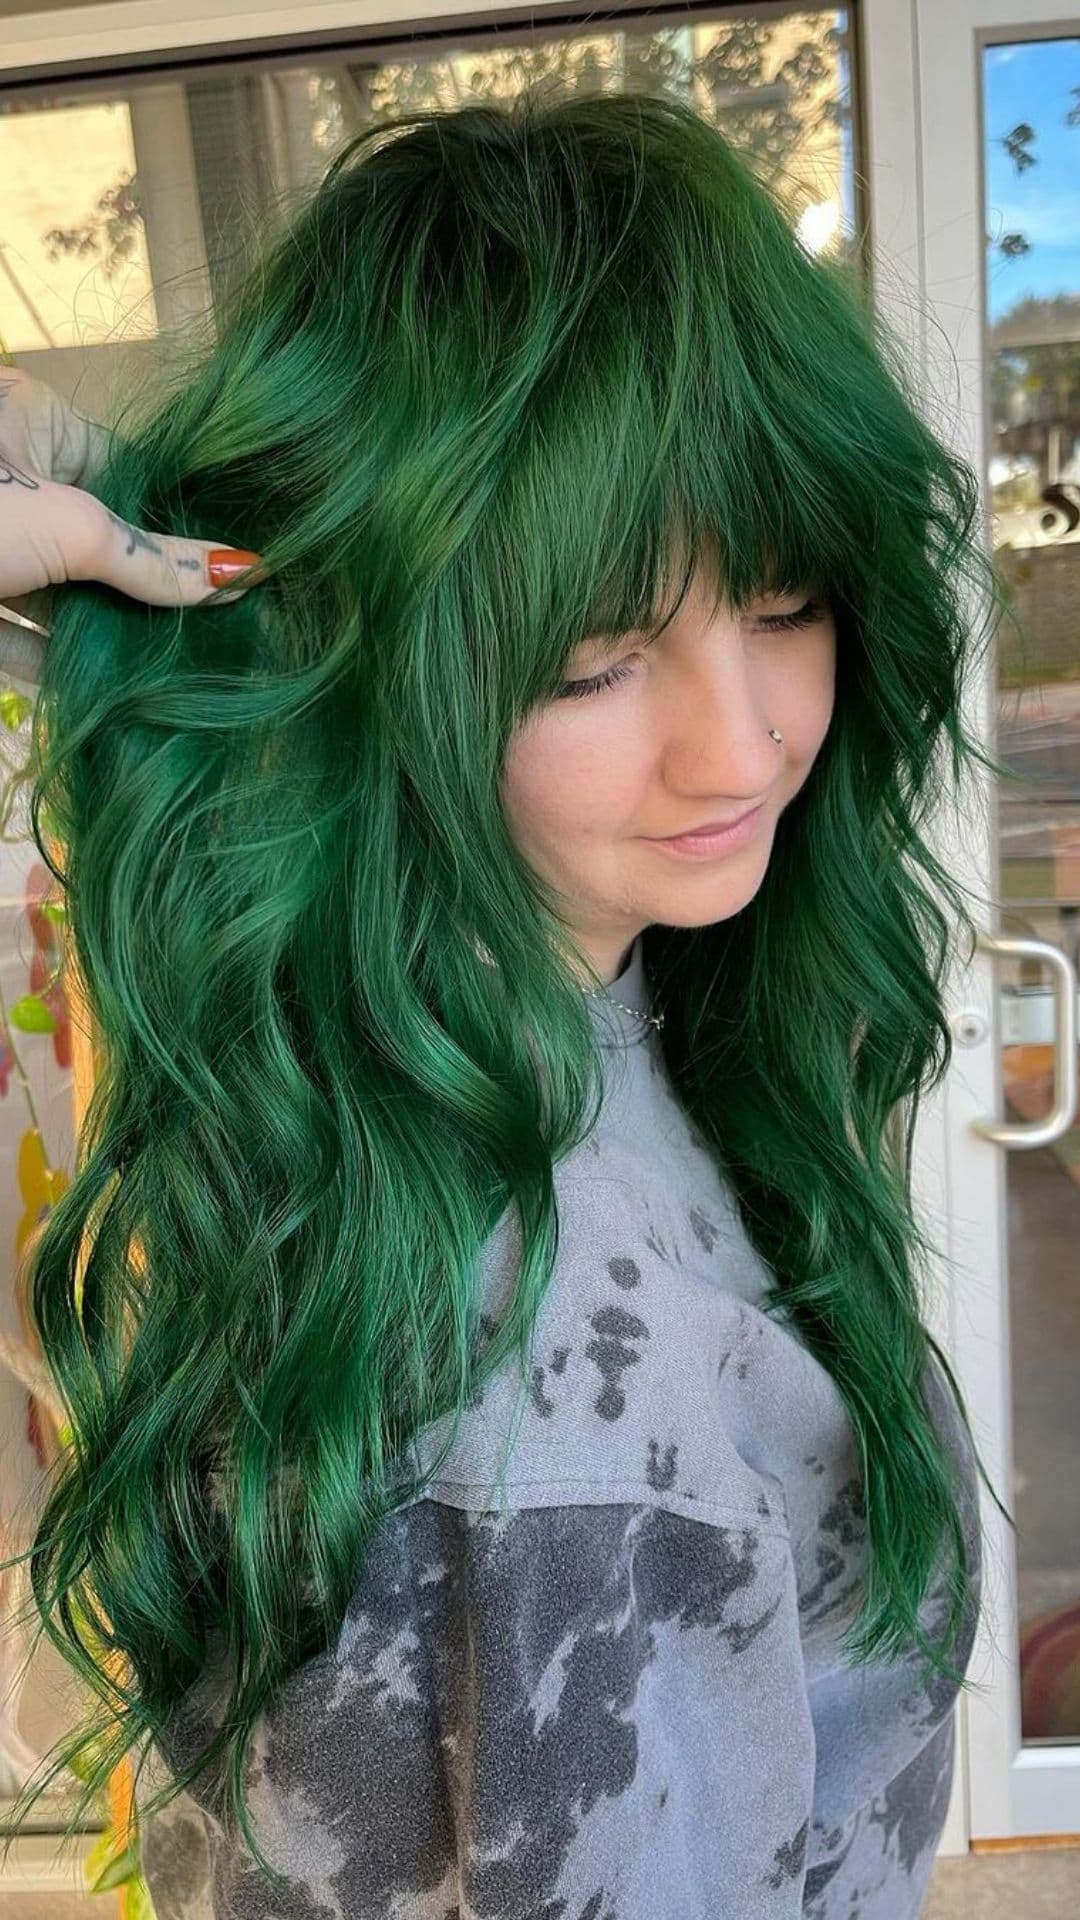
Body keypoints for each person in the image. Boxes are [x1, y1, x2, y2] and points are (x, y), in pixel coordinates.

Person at [0, 85, 1012, 1919]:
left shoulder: (381, 1080)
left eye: (784, 601)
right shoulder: (558, 1395)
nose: (749, 738)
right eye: (596, 657)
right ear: (362, 671)